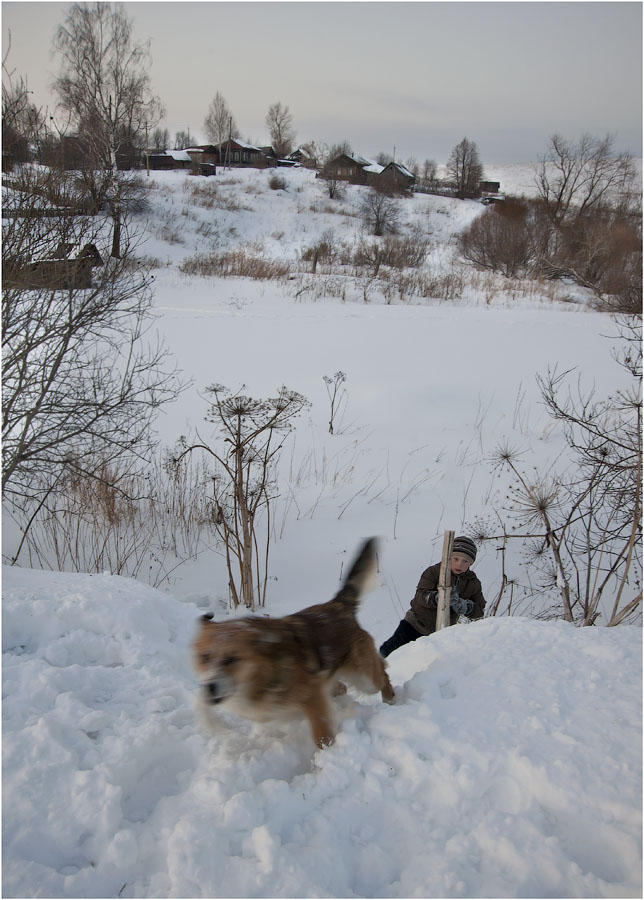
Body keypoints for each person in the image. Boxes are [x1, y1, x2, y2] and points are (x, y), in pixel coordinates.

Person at [379, 536, 485, 658]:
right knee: (391, 651)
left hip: (441, 633)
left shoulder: (473, 582)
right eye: (455, 558)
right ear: (448, 557)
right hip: (415, 624)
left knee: (424, 662)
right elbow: (421, 595)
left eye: (465, 561)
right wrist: (438, 598)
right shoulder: (434, 572)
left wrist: (466, 607)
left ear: (471, 563)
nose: (459, 564)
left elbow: (480, 610)